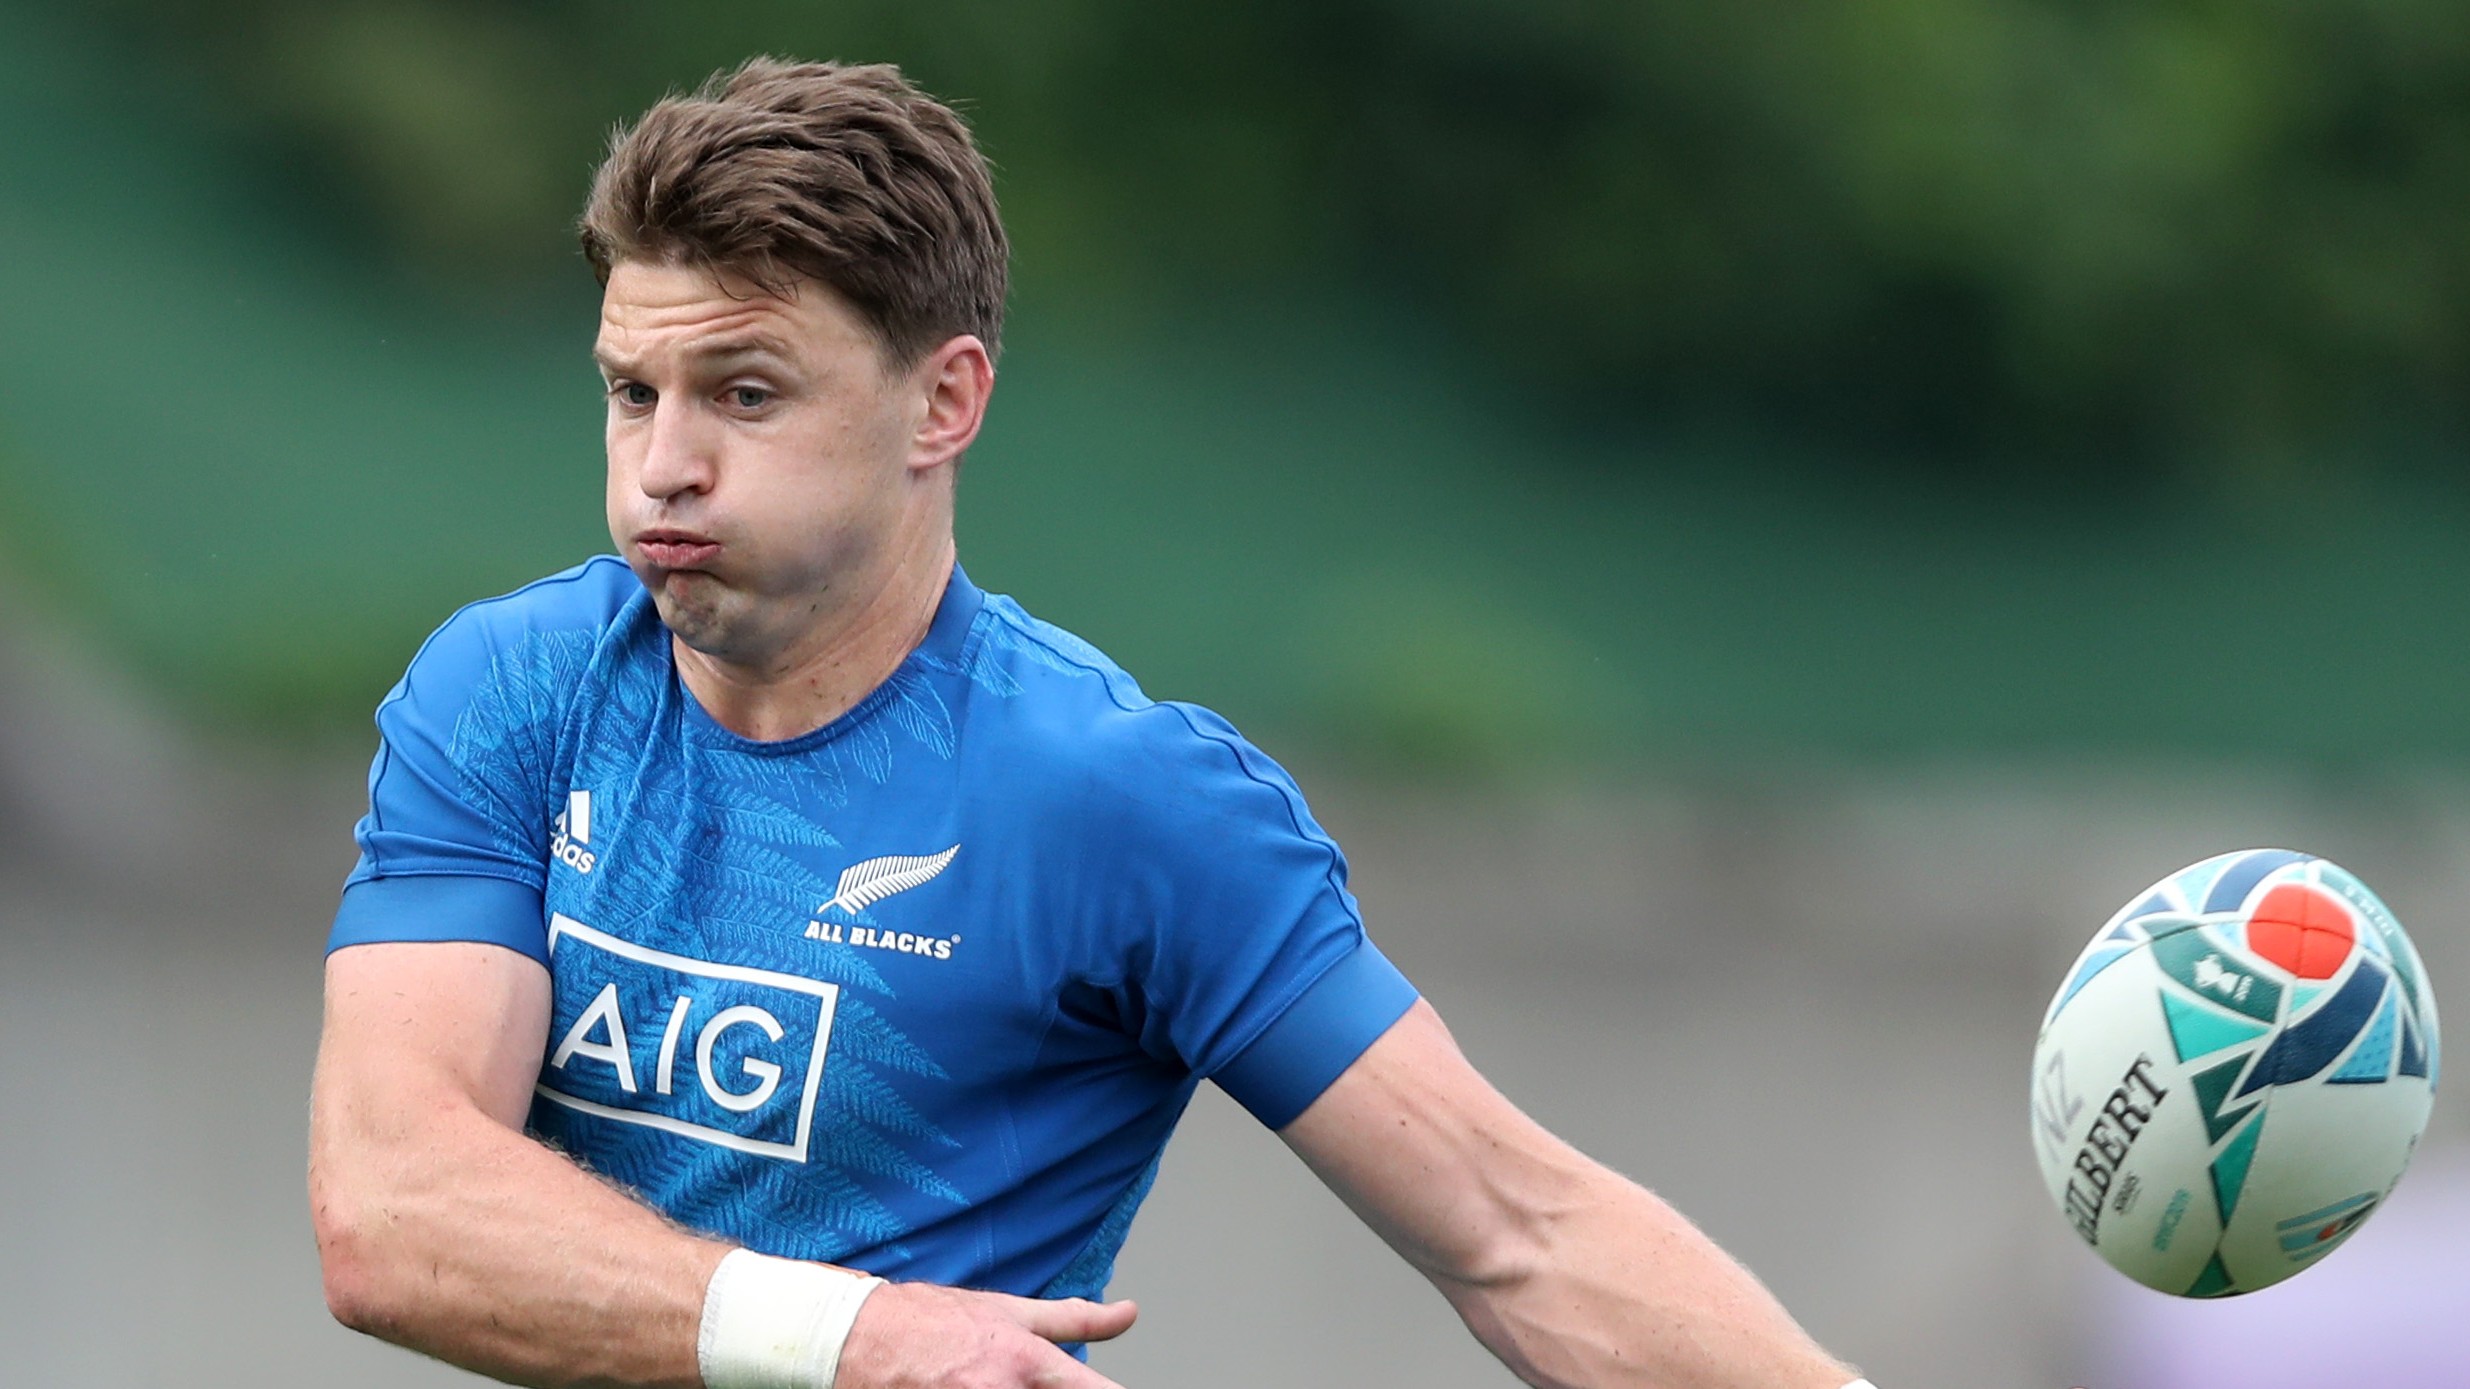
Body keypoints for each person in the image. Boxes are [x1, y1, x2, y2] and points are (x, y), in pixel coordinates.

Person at [308, 56, 1868, 1389]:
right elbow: (389, 1209)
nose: (663, 464)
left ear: (943, 403)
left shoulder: (1121, 799)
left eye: (746, 392)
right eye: (631, 391)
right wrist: (859, 1335)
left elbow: (1521, 1234)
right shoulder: (511, 692)